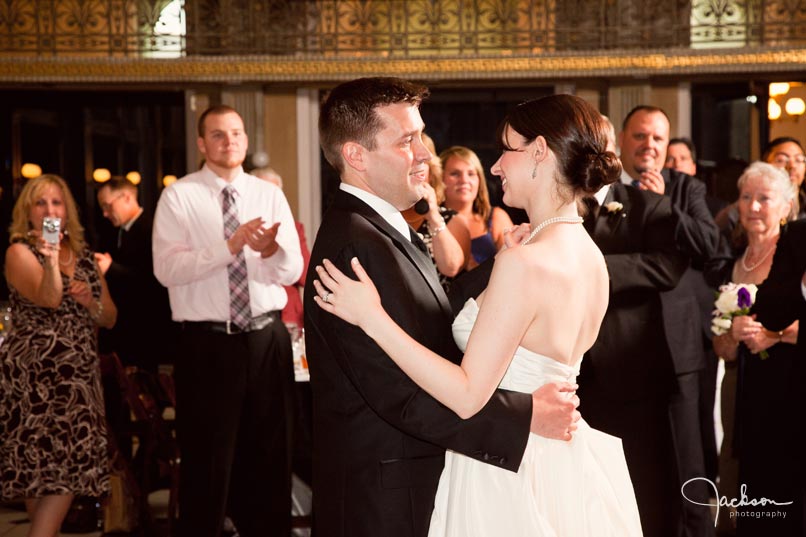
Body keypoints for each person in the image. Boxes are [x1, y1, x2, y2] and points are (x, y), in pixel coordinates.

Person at [311, 89, 641, 536]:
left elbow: (452, 360)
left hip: (502, 471)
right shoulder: (588, 254)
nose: (426, 153)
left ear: (540, 152)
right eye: (408, 140)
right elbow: (396, 386)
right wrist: (523, 414)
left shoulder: (523, 263)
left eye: (507, 150)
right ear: (356, 154)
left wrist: (375, 318)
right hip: (538, 461)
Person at [152, 104, 303, 537]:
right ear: (202, 144)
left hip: (266, 340)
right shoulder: (178, 196)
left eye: (236, 133)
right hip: (208, 345)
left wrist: (272, 251)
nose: (230, 141)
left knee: (272, 459)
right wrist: (230, 246)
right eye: (218, 134)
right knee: (208, 463)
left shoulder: (267, 193)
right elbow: (168, 270)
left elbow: (291, 272)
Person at [619, 105, 719, 537]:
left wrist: (664, 204)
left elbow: (711, 244)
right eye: (640, 136)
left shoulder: (686, 188)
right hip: (620, 349)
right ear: (623, 141)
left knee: (688, 461)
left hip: (678, 345)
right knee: (635, 462)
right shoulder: (604, 191)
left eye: (658, 138)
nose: (649, 146)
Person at [1, 174, 116, 537]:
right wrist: (51, 261)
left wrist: (89, 302)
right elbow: (49, 298)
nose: (50, 210)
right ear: (28, 212)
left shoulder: (84, 257)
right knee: (45, 476)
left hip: (78, 378)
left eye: (57, 202)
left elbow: (110, 316)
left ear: (68, 212)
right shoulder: (19, 252)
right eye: (41, 203)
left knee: (61, 474)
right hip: (35, 380)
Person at [706, 162, 801, 536]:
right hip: (739, 387)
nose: (754, 206)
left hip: (788, 385)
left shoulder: (796, 258)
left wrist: (772, 336)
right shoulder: (733, 264)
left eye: (765, 198)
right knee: (737, 475)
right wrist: (732, 336)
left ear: (786, 207)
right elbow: (719, 344)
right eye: (746, 197)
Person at [94, 177, 175, 372]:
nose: (105, 213)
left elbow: (154, 282)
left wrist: (110, 268)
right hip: (123, 329)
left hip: (147, 330)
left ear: (127, 198)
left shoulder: (153, 230)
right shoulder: (115, 231)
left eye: (107, 206)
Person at [400, 133, 471, 291]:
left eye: (422, 162)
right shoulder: (383, 215)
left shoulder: (452, 219)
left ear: (431, 173)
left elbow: (451, 268)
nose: (414, 166)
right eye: (409, 160)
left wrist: (432, 217)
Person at [250, 166, 311, 329]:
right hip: (253, 315)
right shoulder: (241, 230)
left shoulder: (294, 228)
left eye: (276, 193)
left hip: (289, 316)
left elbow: (306, 275)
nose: (271, 200)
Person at [440, 145, 514, 268]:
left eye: (471, 174)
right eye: (455, 174)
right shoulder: (429, 222)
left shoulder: (497, 217)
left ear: (479, 180)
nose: (464, 180)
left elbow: (514, 267)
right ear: (440, 178)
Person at [715, 136, 806, 233]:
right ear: (765, 165)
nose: (792, 166)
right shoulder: (737, 214)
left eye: (799, 160)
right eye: (781, 160)